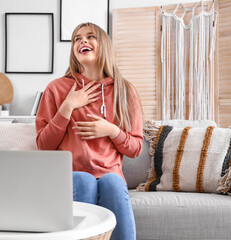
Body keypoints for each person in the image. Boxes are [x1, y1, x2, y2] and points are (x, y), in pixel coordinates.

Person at [35, 22, 143, 240]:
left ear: (103, 44)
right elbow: (43, 146)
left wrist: (112, 130)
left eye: (90, 36)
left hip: (110, 173)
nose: (82, 41)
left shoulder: (125, 90)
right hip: (70, 175)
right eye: (76, 38)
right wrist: (67, 107)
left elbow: (135, 148)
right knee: (83, 180)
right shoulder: (56, 89)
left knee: (112, 181)